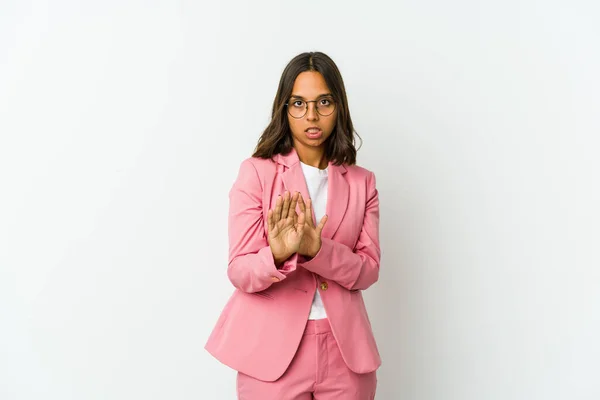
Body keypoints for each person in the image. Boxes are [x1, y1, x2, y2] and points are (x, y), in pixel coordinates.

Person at [205, 51, 381, 400]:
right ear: (284, 109)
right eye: (298, 103)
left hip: (345, 354)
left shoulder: (363, 182)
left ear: (339, 107)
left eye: (323, 102)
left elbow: (368, 271)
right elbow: (240, 271)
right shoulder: (256, 173)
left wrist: (317, 250)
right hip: (271, 356)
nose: (311, 115)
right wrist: (279, 252)